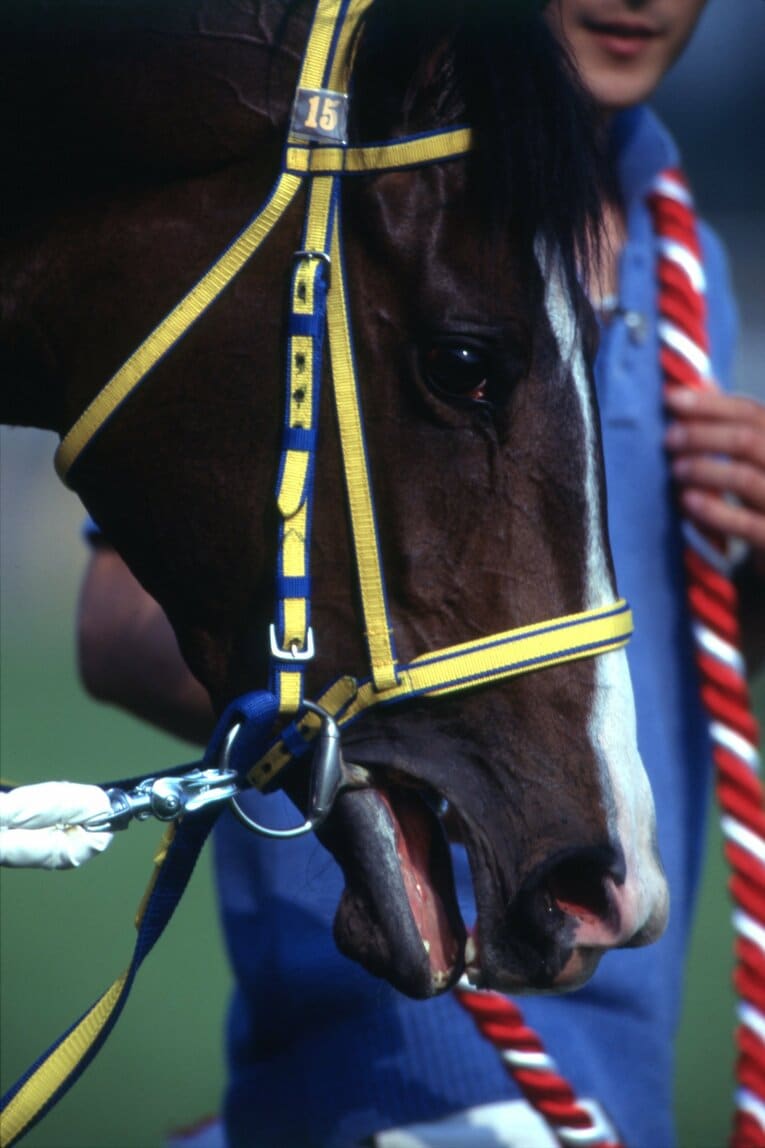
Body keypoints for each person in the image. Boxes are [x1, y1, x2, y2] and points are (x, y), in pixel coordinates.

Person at [76, 1, 765, 1145]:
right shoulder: (336, 220)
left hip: (622, 1054)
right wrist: (404, 714)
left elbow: (661, 660)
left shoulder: (686, 256)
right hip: (390, 1045)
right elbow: (116, 621)